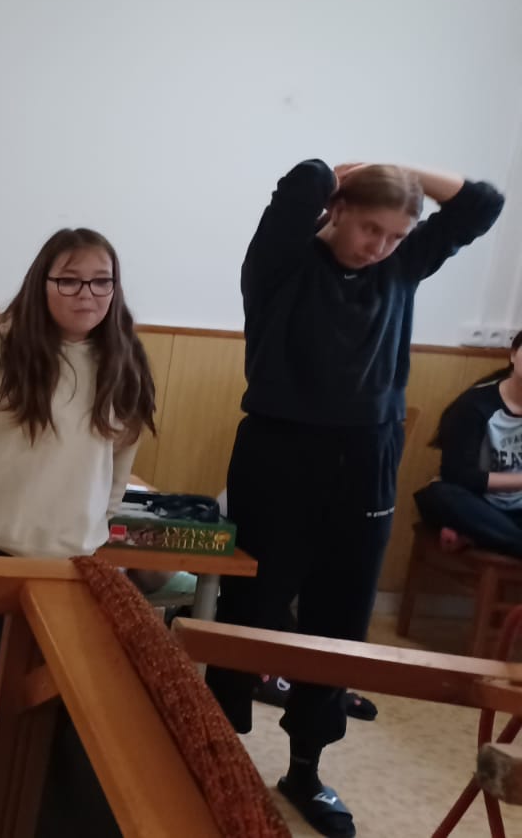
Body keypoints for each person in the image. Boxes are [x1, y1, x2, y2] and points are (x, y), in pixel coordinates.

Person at [206, 159, 504, 837]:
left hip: (369, 457)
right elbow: (303, 180)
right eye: (371, 228)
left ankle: (305, 769)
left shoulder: (401, 267)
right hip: (278, 454)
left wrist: (405, 175)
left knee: (340, 620)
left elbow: (483, 204)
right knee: (250, 608)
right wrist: (358, 170)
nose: (381, 246)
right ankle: (216, 749)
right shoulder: (281, 262)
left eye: (397, 235)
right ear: (337, 210)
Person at [0, 227, 155, 836]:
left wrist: (94, 533)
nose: (86, 294)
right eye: (69, 280)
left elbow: (117, 466)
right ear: (42, 283)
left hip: (70, 568)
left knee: (64, 706)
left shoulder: (124, 358)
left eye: (100, 281)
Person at [414, 330, 522, 559]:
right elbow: (458, 476)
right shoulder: (475, 404)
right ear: (513, 354)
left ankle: (478, 535)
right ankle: (490, 534)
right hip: (478, 504)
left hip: (516, 512)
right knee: (439, 494)